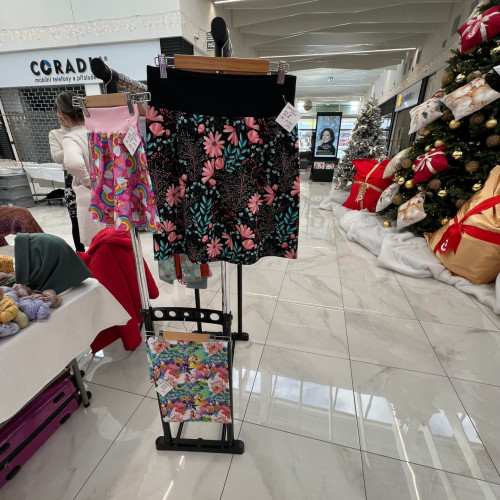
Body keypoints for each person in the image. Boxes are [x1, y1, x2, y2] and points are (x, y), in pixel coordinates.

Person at [54, 91, 105, 247]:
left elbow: (73, 164)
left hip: (91, 198)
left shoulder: (72, 137)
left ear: (62, 115)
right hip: (110, 193)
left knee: (100, 245)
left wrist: (88, 181)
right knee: (116, 241)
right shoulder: (100, 130)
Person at [48, 111, 85, 252]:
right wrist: (75, 144)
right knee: (75, 217)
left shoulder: (86, 129)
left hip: (90, 171)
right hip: (71, 176)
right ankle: (81, 255)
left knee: (97, 217)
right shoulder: (56, 134)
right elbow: (57, 157)